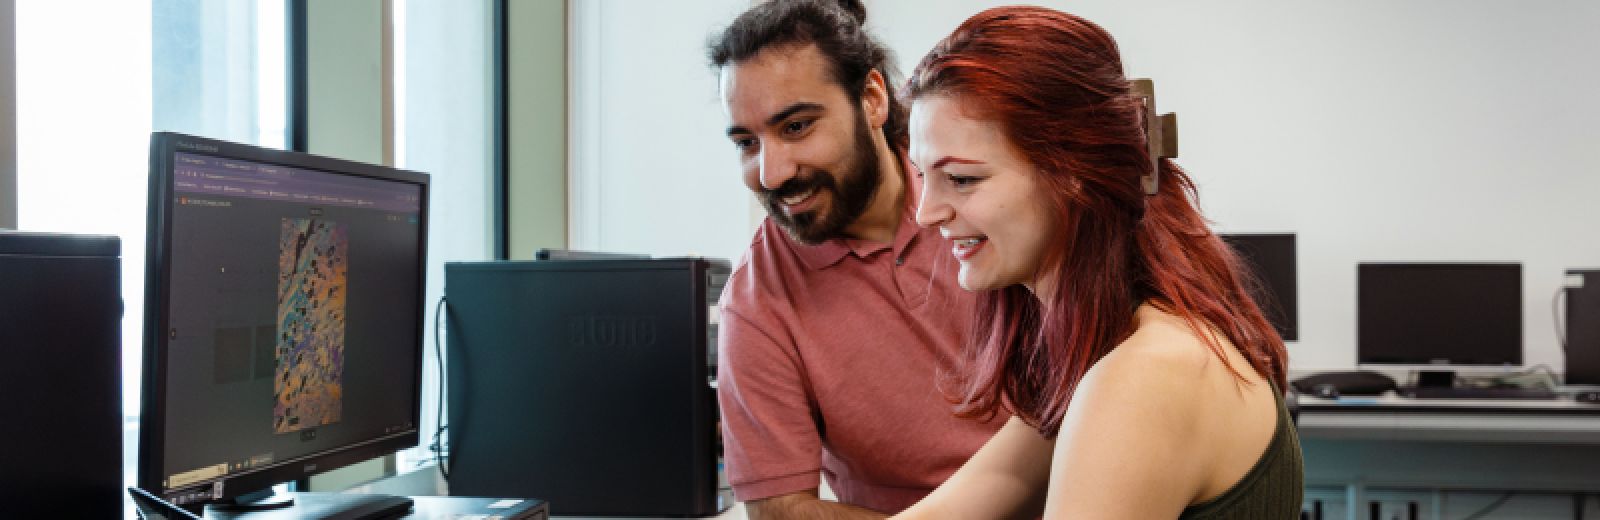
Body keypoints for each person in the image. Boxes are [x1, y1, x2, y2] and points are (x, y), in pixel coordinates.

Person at [894, 6, 1304, 518]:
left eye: (962, 179)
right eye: (922, 176)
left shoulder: (1146, 376)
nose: (928, 213)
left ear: (1074, 175)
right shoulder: (1109, 341)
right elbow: (971, 497)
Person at [707, 0, 1006, 516]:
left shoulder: (985, 198)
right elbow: (781, 511)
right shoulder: (757, 300)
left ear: (871, 99)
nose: (772, 172)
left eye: (796, 126)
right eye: (747, 142)